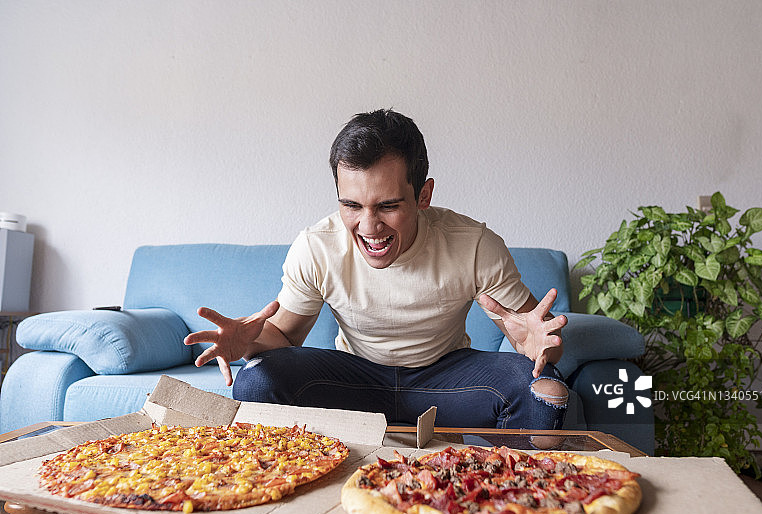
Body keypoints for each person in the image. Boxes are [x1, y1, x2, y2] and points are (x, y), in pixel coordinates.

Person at [184, 109, 569, 430]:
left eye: (387, 206)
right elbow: (284, 336)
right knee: (255, 380)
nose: (368, 227)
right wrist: (247, 341)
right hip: (354, 379)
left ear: (423, 195)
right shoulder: (317, 246)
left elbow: (540, 343)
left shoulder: (474, 244)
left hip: (445, 381)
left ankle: (502, 489)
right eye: (351, 206)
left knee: (546, 394)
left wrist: (537, 346)